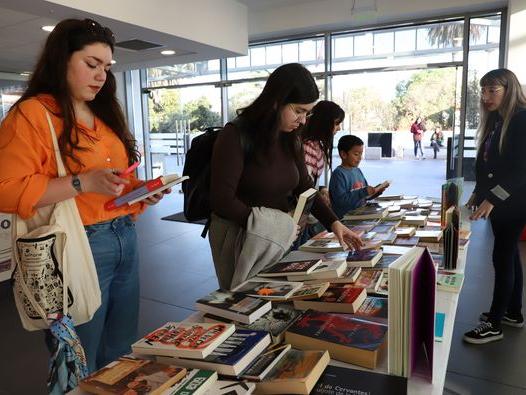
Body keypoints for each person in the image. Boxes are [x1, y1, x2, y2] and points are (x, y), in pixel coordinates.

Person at [0, 18, 168, 372]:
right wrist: (82, 183)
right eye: (91, 64)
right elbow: (7, 190)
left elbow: (109, 178)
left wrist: (137, 192)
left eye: (106, 67)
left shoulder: (103, 112)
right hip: (74, 243)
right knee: (79, 356)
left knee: (121, 349)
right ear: (62, 60)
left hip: (124, 234)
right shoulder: (33, 114)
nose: (101, 75)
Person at [209, 63, 363, 289]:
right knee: (247, 301)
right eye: (298, 111)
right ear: (275, 101)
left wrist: (334, 223)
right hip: (242, 240)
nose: (303, 120)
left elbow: (305, 186)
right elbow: (221, 200)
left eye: (307, 113)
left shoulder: (291, 136)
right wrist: (275, 227)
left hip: (279, 238)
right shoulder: (235, 134)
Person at [463, 68, 526, 344]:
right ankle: (512, 312)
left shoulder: (522, 119)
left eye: (492, 90)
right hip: (503, 201)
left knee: (502, 257)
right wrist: (479, 191)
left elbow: (520, 170)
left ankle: (494, 323)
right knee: (509, 254)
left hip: (514, 202)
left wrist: (492, 198)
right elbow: (487, 162)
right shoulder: (498, 121)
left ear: (508, 89)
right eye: (483, 90)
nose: (486, 96)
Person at [297, 100, 344, 243]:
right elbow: (303, 187)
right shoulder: (305, 147)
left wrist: (321, 189)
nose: (339, 128)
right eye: (336, 123)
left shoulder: (316, 145)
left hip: (310, 218)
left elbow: (309, 182)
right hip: (300, 222)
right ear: (324, 122)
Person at [329, 135, 389, 219]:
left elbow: (364, 196)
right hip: (345, 221)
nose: (360, 158)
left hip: (360, 215)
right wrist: (363, 192)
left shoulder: (358, 171)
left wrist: (375, 192)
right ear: (343, 154)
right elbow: (341, 201)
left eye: (361, 154)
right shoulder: (338, 174)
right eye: (356, 154)